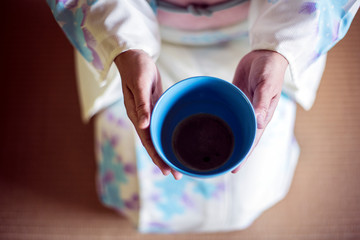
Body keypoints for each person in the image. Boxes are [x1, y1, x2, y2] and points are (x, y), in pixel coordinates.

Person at [47, 0, 359, 233]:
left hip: (256, 34)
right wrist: (124, 44)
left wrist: (279, 47)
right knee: (135, 183)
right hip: (137, 33)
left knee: (247, 196)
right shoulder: (129, 40)